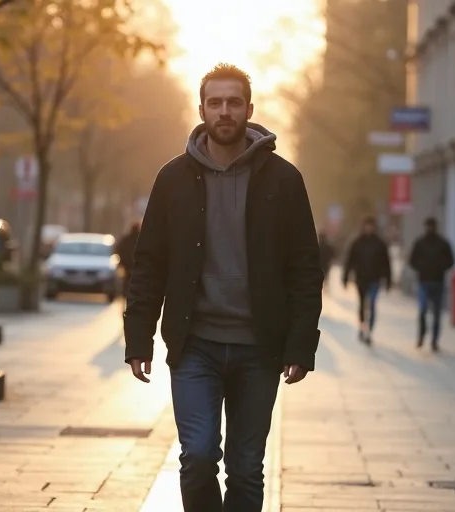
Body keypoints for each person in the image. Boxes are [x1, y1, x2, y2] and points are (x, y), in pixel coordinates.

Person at [123, 63, 323, 512]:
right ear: (202, 110)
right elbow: (148, 264)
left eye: (234, 102)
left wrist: (300, 346)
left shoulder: (284, 180)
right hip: (196, 346)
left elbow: (305, 271)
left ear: (249, 110)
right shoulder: (172, 179)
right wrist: (139, 339)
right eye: (216, 103)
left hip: (260, 348)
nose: (225, 111)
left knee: (247, 467)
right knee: (196, 457)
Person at [342, 216, 391, 344]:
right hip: (361, 279)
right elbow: (350, 261)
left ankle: (369, 330)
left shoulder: (380, 244)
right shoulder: (357, 242)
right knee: (363, 305)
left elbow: (386, 262)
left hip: (375, 279)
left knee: (372, 304)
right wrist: (345, 277)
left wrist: (388, 279)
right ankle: (362, 326)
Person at [408, 217, 455, 351]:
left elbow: (451, 260)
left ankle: (434, 340)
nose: (430, 228)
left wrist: (441, 267)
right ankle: (421, 335)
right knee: (422, 310)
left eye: (432, 226)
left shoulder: (442, 243)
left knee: (436, 314)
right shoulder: (420, 243)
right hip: (423, 281)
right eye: (428, 226)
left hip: (438, 281)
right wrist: (421, 267)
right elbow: (412, 260)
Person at [115, 221, 140, 299]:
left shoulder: (126, 239)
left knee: (127, 285)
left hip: (127, 266)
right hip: (137, 266)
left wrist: (122, 261)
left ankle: (127, 299)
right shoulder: (141, 239)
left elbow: (118, 249)